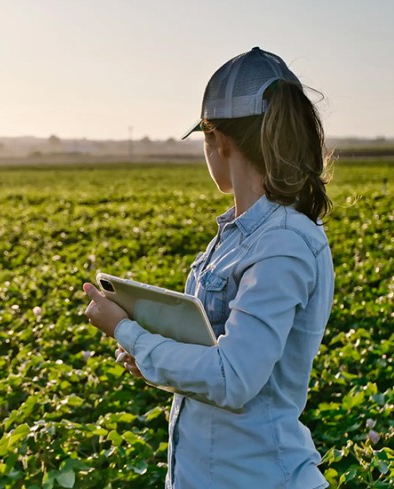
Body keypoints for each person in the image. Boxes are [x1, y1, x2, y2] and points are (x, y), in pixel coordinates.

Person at [83, 47, 334, 489]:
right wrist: (152, 357)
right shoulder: (238, 235)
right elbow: (214, 359)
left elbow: (232, 378)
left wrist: (128, 332)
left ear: (217, 140)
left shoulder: (283, 244)